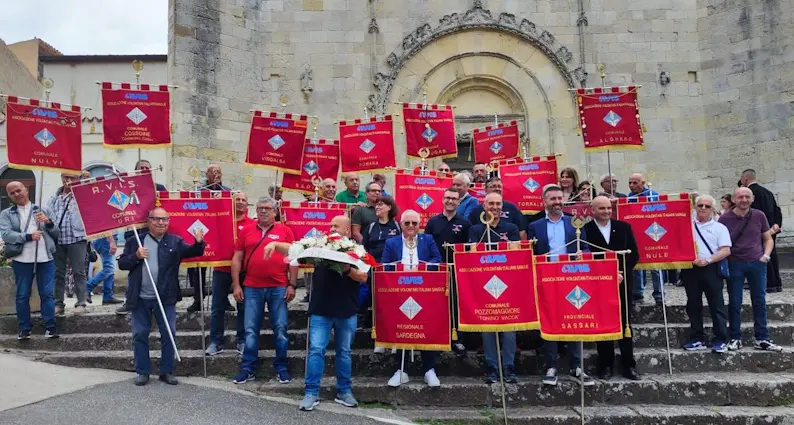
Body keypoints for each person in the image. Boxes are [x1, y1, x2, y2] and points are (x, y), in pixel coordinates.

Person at [118, 207, 206, 386]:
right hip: (140, 297)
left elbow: (193, 252)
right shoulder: (135, 240)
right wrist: (135, 256)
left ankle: (167, 371)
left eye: (164, 219)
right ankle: (142, 372)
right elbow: (122, 264)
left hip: (166, 297)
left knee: (169, 333)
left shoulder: (175, 241)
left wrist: (198, 243)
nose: (161, 223)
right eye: (156, 219)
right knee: (140, 334)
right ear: (148, 221)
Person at [298, 215, 368, 411]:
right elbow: (299, 254)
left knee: (344, 352)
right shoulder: (320, 246)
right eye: (330, 225)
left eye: (336, 226)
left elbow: (363, 277)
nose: (331, 228)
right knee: (316, 350)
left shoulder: (357, 250)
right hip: (321, 308)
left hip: (346, 310)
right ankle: (311, 392)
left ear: (347, 230)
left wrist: (347, 268)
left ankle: (344, 391)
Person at [528, 185, 593, 387]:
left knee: (574, 319)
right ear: (544, 202)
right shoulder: (535, 225)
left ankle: (576, 365)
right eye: (552, 199)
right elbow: (531, 253)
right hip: (547, 279)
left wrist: (584, 253)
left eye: (559, 198)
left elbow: (586, 247)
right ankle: (551, 365)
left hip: (571, 278)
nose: (557, 202)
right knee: (549, 321)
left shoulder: (574, 223)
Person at [231, 196, 298, 385]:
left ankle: (282, 367)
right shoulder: (245, 230)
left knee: (281, 329)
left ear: (275, 211)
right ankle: (248, 368)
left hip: (278, 286)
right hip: (252, 286)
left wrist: (292, 284)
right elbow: (237, 259)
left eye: (267, 208)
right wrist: (237, 285)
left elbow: (293, 258)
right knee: (250, 330)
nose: (263, 211)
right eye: (260, 208)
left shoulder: (285, 231)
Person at [381, 210, 443, 387]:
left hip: (424, 291)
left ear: (419, 225)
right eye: (406, 223)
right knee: (402, 328)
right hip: (398, 292)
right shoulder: (391, 242)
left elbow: (437, 259)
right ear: (401, 225)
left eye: (414, 223)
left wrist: (421, 270)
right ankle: (401, 370)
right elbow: (385, 265)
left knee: (426, 327)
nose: (410, 226)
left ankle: (429, 370)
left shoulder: (428, 240)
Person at [718, 187, 782, 352]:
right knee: (734, 302)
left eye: (747, 197)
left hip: (757, 263)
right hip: (735, 263)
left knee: (759, 301)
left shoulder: (759, 215)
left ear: (752, 199)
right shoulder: (725, 219)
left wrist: (766, 256)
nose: (744, 200)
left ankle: (762, 337)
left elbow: (767, 238)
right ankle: (735, 337)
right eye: (740, 197)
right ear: (734, 199)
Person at [584, 196, 640, 380]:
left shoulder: (624, 227)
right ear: (593, 210)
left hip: (622, 283)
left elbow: (634, 255)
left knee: (625, 324)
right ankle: (606, 365)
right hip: (598, 284)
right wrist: (606, 275)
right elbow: (587, 257)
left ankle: (628, 365)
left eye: (608, 208)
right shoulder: (586, 230)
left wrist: (620, 273)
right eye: (602, 208)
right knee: (603, 323)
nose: (606, 211)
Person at [468, 193, 520, 383]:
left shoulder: (512, 228)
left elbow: (516, 255)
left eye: (498, 204)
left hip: (508, 284)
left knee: (509, 328)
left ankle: (508, 366)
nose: (495, 207)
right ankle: (492, 367)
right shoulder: (475, 230)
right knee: (488, 328)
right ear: (484, 206)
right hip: (484, 285)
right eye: (491, 203)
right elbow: (473, 256)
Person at [0, 181, 60, 339]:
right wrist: (27, 236)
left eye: (18, 190)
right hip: (22, 259)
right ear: (9, 196)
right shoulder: (7, 213)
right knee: (22, 295)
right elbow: (6, 234)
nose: (16, 194)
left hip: (45, 257)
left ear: (26, 190)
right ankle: (24, 328)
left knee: (47, 293)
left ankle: (51, 327)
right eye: (12, 193)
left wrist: (48, 223)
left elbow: (56, 233)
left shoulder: (42, 209)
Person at [205, 192, 256, 356]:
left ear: (247, 204)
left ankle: (242, 340)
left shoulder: (252, 224)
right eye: (237, 199)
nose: (240, 202)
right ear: (231, 203)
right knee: (217, 307)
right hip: (221, 269)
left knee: (243, 306)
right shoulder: (221, 220)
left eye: (244, 200)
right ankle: (216, 342)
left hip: (244, 271)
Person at [425, 187, 470, 355]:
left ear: (459, 202)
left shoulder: (465, 223)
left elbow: (467, 248)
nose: (450, 201)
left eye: (454, 199)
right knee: (437, 305)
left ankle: (457, 339)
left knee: (456, 305)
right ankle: (438, 336)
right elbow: (426, 245)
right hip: (437, 270)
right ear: (442, 200)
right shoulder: (433, 222)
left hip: (457, 271)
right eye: (447, 198)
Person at [682, 195, 731, 354]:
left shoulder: (720, 228)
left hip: (711, 268)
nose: (703, 208)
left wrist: (708, 260)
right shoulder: (686, 226)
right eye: (700, 205)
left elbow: (725, 250)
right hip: (690, 269)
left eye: (707, 206)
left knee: (717, 305)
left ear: (712, 209)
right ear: (695, 207)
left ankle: (721, 339)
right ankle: (697, 338)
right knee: (693, 305)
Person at [47, 172, 88, 315]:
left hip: (77, 238)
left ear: (78, 179)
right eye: (65, 177)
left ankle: (81, 303)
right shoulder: (54, 198)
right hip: (58, 240)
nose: (68, 180)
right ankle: (58, 303)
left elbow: (92, 195)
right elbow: (49, 216)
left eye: (72, 177)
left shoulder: (81, 196)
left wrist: (83, 181)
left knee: (79, 272)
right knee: (58, 273)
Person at [740, 169, 783, 293]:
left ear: (746, 178)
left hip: (759, 230)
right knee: (771, 255)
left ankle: (768, 284)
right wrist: (776, 225)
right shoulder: (767, 192)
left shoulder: (749, 194)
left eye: (742, 178)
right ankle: (776, 284)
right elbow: (777, 210)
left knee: (762, 256)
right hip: (771, 229)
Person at [361, 196, 400, 321]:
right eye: (376, 204)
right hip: (372, 268)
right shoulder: (371, 227)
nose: (377, 207)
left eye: (381, 204)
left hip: (390, 269)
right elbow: (364, 247)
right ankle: (369, 319)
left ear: (389, 207)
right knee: (371, 294)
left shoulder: (397, 227)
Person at [627, 173, 663, 304]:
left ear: (643, 183)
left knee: (655, 264)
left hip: (652, 234)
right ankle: (638, 291)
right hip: (636, 234)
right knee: (637, 263)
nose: (631, 186)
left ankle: (659, 293)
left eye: (635, 183)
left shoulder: (652, 195)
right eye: (630, 183)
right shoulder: (630, 197)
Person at [85, 235, 122, 304]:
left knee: (109, 268)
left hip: (103, 239)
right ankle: (87, 287)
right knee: (109, 269)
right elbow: (107, 225)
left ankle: (108, 296)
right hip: (105, 239)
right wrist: (111, 241)